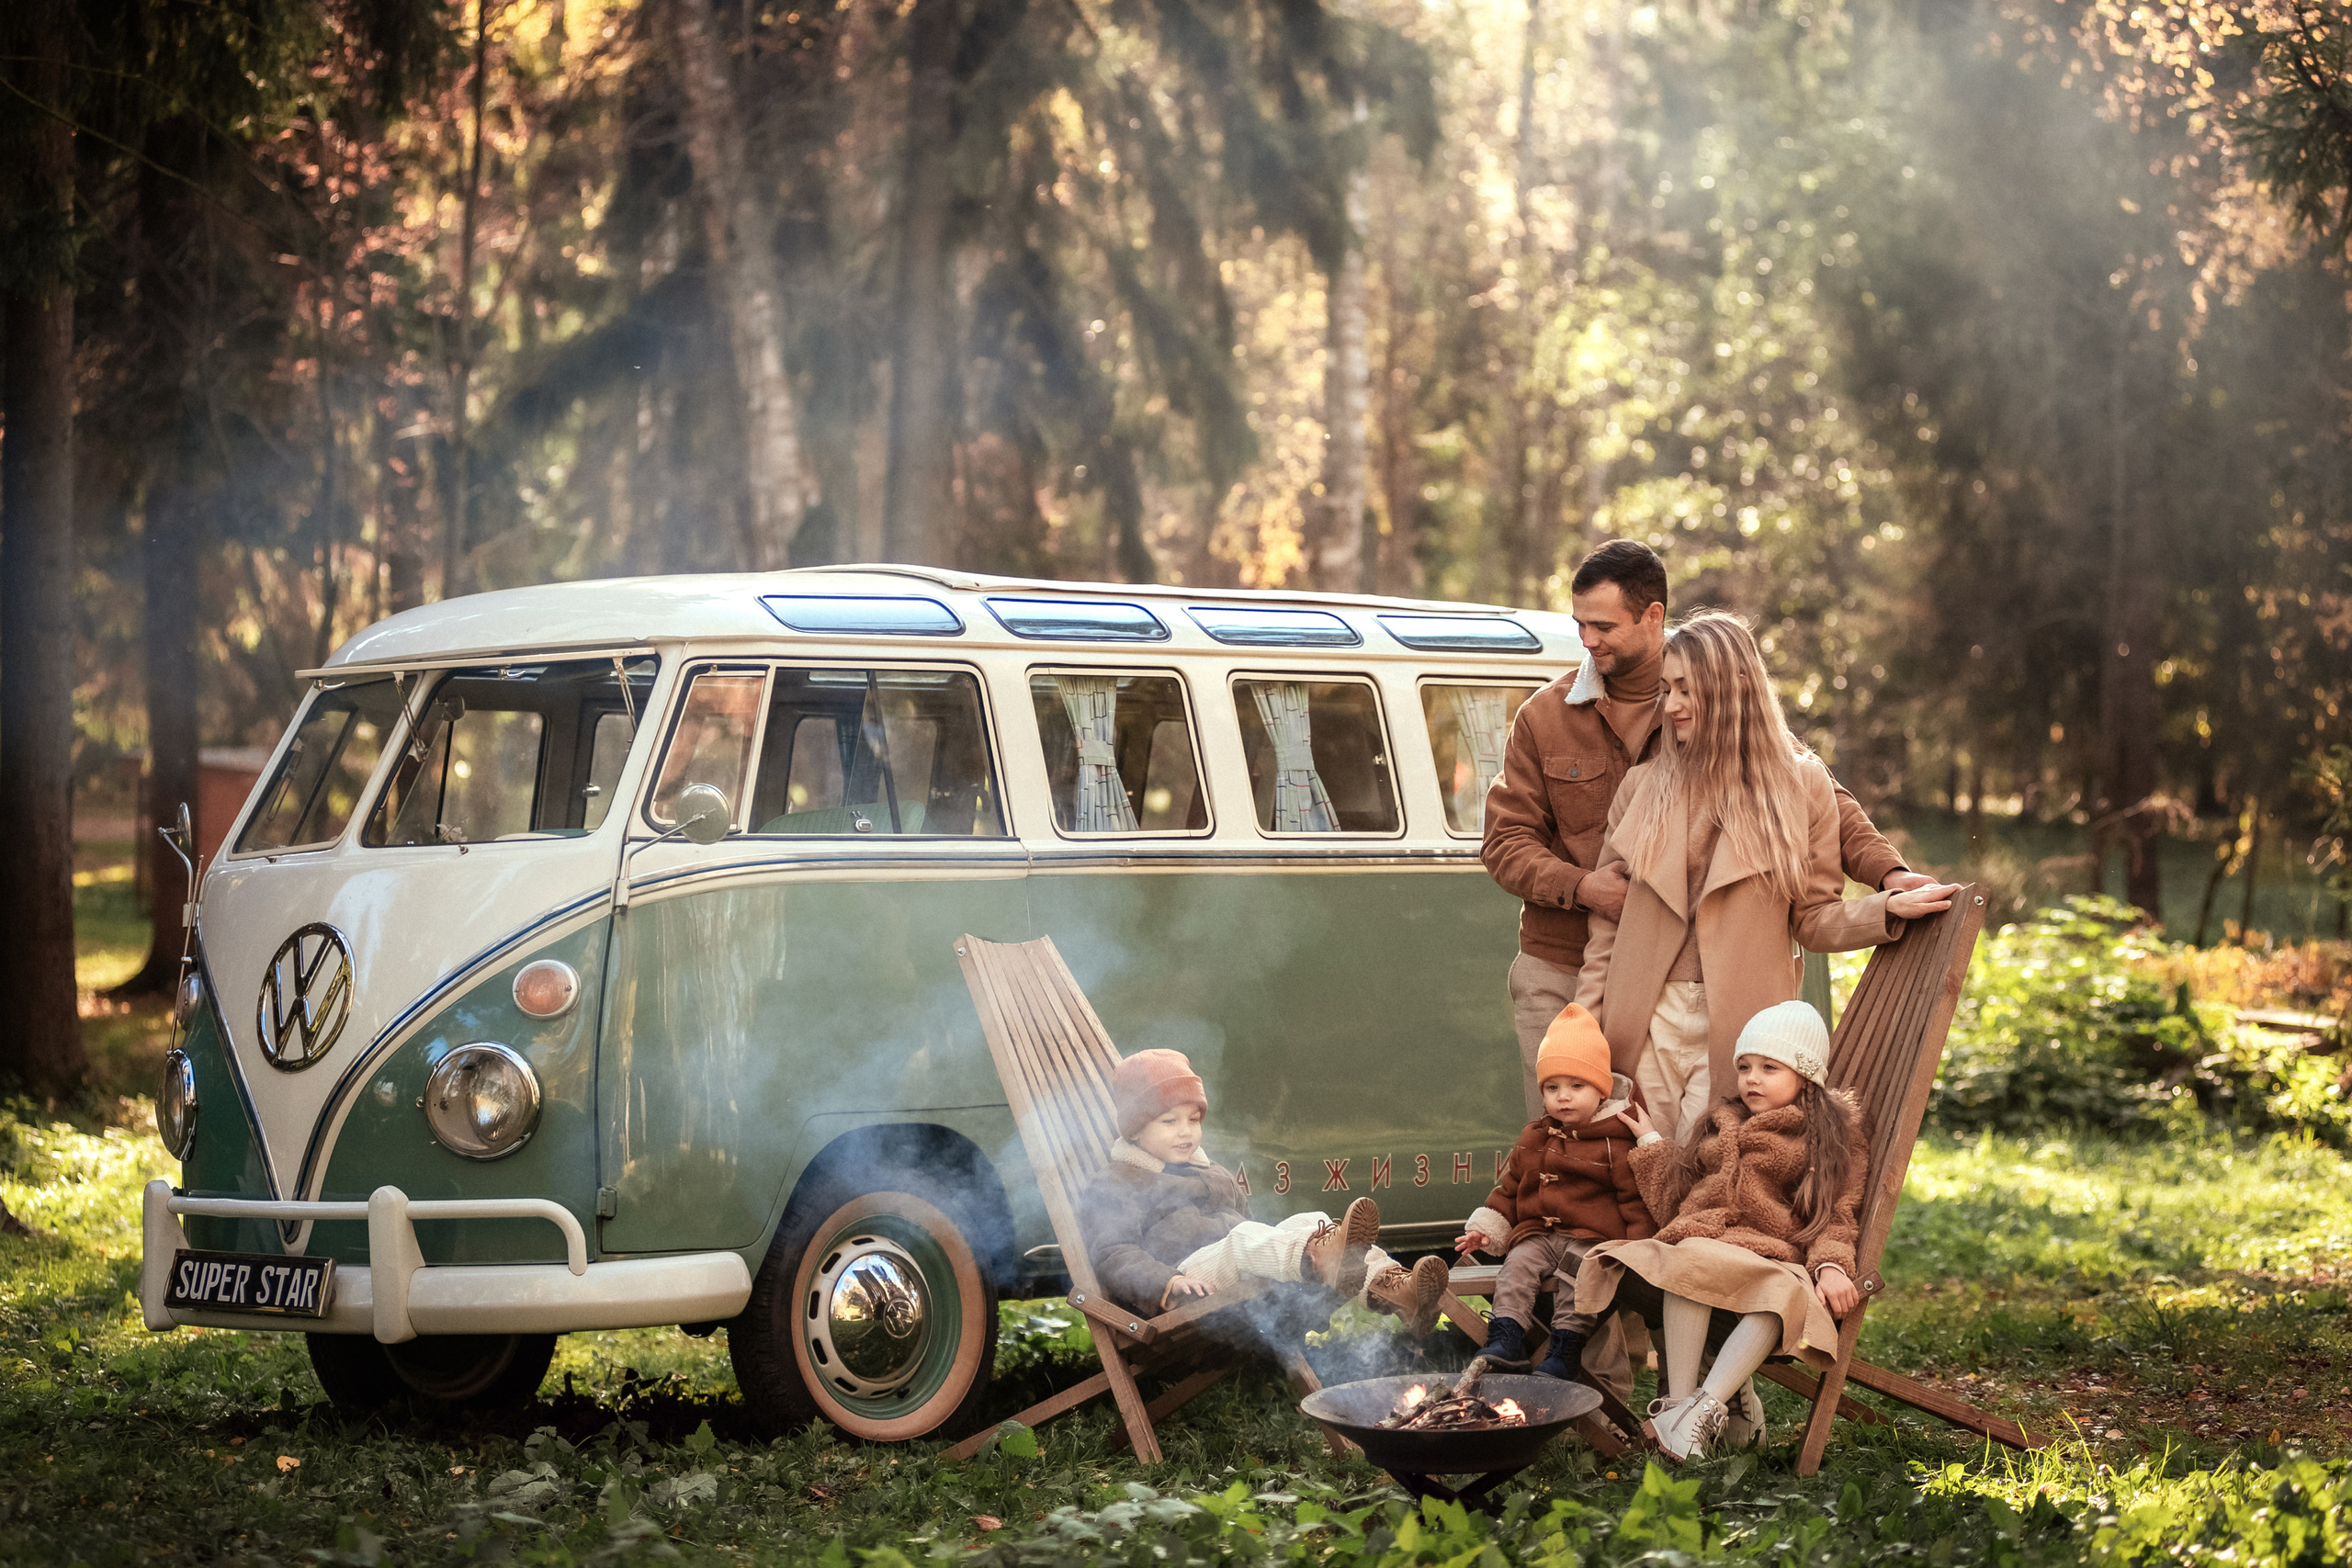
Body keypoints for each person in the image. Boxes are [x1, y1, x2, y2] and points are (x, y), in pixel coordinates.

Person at [1482, 540, 1929, 1121]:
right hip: (1570, 961)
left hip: (1704, 987)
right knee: (1573, 1148)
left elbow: (1818, 802)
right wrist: (1587, 888)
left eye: (1603, 626)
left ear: (1653, 616)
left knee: (1696, 1152)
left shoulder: (1709, 683)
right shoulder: (1547, 717)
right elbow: (1505, 843)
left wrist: (1889, 876)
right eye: (1579, 625)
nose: (1587, 641)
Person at [1574, 611, 1960, 1143]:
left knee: (1708, 1165)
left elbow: (1814, 920)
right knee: (1637, 1163)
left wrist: (1884, 909)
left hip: (1742, 1025)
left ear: (1734, 687)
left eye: (1687, 689)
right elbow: (1606, 929)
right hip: (1643, 1016)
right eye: (1666, 689)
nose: (1672, 705)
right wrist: (1583, 1027)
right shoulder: (1642, 787)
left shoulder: (1801, 786)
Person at [1572, 1000, 1868, 1461]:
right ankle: (1679, 1409)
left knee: (1783, 1296)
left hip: (1771, 1256)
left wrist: (1831, 1264)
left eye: (1769, 1067)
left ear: (1806, 1076)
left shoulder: (1823, 1136)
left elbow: (1838, 1212)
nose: (1752, 1078)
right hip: (1705, 1245)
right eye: (1744, 1066)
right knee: (1688, 1260)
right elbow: (1677, 1200)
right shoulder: (1722, 1123)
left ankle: (1699, 1412)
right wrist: (1650, 1142)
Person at [1080, 1048, 1452, 1331]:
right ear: (1134, 1130)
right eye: (1169, 1121)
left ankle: (1396, 1291)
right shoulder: (1118, 1183)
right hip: (1187, 1279)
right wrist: (1168, 1282)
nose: (1186, 1131)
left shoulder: (1212, 1171)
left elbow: (1248, 1221)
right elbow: (1114, 1254)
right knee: (1244, 1239)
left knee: (1313, 1220)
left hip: (1234, 1269)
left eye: (1193, 1120)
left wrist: (1277, 1241)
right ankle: (1320, 1258)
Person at [1453, 1003, 1653, 1393]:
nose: (1564, 1097)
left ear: (1602, 1090)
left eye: (1577, 1086)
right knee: (1517, 1264)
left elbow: (1634, 1199)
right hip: (1540, 1234)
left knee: (1578, 1277)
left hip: (1592, 1240)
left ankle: (1564, 1349)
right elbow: (1510, 1187)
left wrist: (1638, 1250)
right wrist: (1488, 1228)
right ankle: (1506, 1336)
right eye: (1552, 1087)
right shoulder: (1534, 1137)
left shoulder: (1615, 1141)